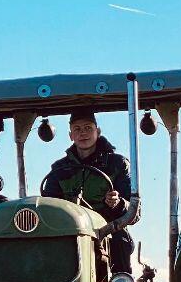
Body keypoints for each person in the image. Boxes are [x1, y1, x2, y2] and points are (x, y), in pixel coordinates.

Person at [40, 110, 134, 272]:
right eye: (77, 129)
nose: (83, 133)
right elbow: (48, 206)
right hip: (70, 232)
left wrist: (117, 204)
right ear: (71, 135)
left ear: (98, 131)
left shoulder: (118, 164)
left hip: (107, 231)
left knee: (120, 241)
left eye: (88, 128)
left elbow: (134, 211)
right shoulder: (59, 169)